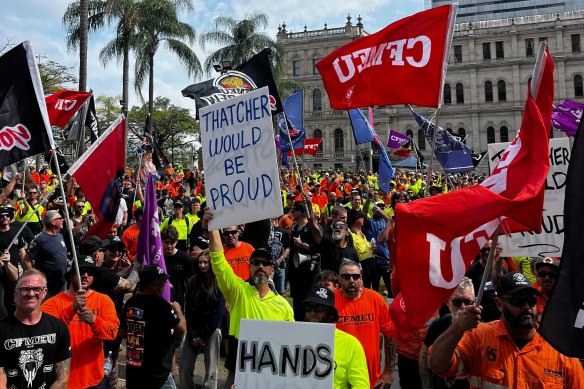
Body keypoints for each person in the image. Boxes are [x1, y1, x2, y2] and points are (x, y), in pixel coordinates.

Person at [429, 272, 584, 387]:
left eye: (531, 301)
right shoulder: (478, 337)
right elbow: (437, 365)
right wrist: (458, 327)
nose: (526, 307)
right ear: (499, 304)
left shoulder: (560, 350)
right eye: (517, 301)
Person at [205, 208, 294, 389]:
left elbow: (291, 345)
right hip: (237, 373)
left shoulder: (284, 306)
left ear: (272, 268)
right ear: (250, 266)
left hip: (271, 376)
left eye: (266, 263)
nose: (261, 266)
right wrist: (213, 227)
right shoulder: (238, 291)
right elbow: (218, 262)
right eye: (256, 262)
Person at [42, 256, 119, 389]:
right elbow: (46, 334)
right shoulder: (52, 303)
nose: (85, 275)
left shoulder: (104, 300)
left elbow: (112, 333)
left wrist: (94, 321)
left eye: (90, 272)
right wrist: (71, 309)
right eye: (81, 271)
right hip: (62, 382)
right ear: (71, 276)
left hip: (95, 380)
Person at [0, 270, 71, 388]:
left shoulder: (59, 327)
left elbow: (63, 377)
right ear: (15, 294)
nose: (31, 293)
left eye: (37, 289)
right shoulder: (2, 329)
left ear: (44, 293)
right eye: (25, 289)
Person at [120, 265, 186, 389]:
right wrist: (178, 310)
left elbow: (123, 332)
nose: (165, 285)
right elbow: (182, 328)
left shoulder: (131, 302)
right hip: (158, 374)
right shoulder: (162, 305)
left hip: (135, 372)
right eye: (161, 282)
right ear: (152, 285)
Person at [334, 260, 396, 388]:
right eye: (346, 276)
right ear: (339, 279)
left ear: (361, 278)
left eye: (356, 276)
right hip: (340, 379)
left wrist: (389, 369)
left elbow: (390, 334)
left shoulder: (375, 299)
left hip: (371, 377)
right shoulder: (331, 302)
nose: (351, 280)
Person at [303, 285, 369, 389]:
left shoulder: (350, 344)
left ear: (330, 314)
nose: (312, 312)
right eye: (308, 307)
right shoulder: (294, 339)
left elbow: (361, 385)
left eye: (319, 308)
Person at [180, 250, 225, 389]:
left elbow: (217, 313)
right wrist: (192, 334)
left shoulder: (219, 283)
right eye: (200, 262)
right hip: (193, 329)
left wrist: (204, 336)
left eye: (206, 262)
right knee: (184, 369)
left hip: (211, 330)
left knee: (211, 371)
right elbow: (189, 310)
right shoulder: (193, 281)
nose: (202, 265)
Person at [419, 277, 474, 389]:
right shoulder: (439, 324)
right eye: (457, 302)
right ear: (448, 303)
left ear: (475, 301)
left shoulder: (482, 331)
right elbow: (423, 360)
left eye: (467, 302)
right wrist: (427, 386)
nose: (463, 307)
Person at [23, 210, 68, 298]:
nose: (62, 220)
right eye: (60, 218)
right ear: (53, 222)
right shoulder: (40, 240)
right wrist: (35, 278)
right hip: (47, 286)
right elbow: (26, 260)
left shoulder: (60, 236)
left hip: (62, 282)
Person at [533, 256, 560, 322]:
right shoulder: (531, 294)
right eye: (542, 274)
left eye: (552, 275)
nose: (547, 278)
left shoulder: (567, 298)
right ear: (537, 275)